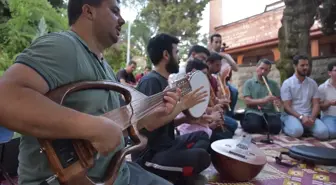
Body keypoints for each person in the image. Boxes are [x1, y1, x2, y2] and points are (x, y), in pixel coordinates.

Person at [0, 1, 181, 185]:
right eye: (114, 11)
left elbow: (113, 131)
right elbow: (5, 98)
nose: (122, 20)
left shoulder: (106, 69)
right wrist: (92, 127)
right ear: (88, 11)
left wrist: (150, 115)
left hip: (116, 175)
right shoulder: (63, 46)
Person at [133, 33, 211, 185]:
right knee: (201, 157)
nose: (179, 57)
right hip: (150, 154)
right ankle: (173, 172)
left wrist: (187, 118)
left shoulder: (166, 81)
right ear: (166, 55)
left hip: (167, 144)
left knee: (202, 135)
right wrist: (183, 105)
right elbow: (149, 125)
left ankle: (178, 169)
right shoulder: (151, 81)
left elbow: (164, 123)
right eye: (176, 52)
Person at [281, 55, 329, 140]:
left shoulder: (312, 83)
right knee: (297, 132)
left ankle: (305, 129)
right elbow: (287, 107)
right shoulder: (287, 83)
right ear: (295, 66)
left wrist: (312, 118)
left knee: (324, 133)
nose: (306, 67)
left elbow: (316, 104)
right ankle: (285, 127)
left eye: (307, 65)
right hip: (293, 116)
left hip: (309, 116)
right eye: (302, 65)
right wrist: (301, 117)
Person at [241, 59, 282, 134]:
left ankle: (262, 125)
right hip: (254, 111)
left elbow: (278, 99)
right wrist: (264, 100)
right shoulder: (249, 83)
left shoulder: (273, 84)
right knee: (252, 126)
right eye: (261, 68)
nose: (263, 72)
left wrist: (278, 103)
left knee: (276, 128)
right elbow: (247, 101)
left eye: (266, 70)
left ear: (269, 71)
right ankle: (251, 122)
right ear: (257, 68)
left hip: (270, 112)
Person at [206, 52, 238, 134]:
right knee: (228, 132)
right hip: (206, 113)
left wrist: (220, 102)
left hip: (213, 111)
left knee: (234, 125)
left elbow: (215, 99)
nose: (219, 69)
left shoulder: (213, 79)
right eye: (217, 65)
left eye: (220, 65)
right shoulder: (203, 79)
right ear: (209, 64)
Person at [318, 61, 336, 139]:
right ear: (329, 73)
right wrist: (329, 103)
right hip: (328, 116)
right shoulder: (322, 88)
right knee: (332, 133)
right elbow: (319, 106)